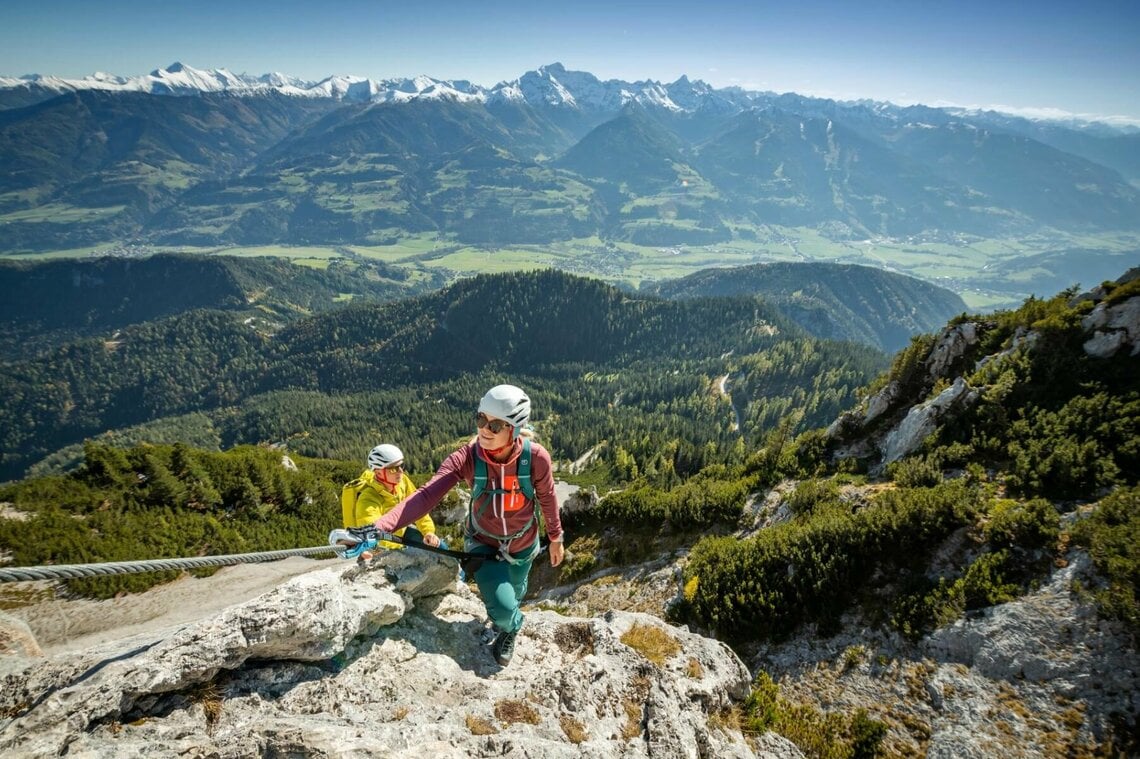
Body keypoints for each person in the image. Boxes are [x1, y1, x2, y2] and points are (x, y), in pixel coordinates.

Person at [373, 384, 564, 666]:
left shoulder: (535, 458)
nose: (484, 429)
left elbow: (547, 497)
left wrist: (556, 536)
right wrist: (380, 526)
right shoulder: (467, 458)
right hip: (482, 544)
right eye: (481, 419)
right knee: (502, 609)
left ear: (514, 429)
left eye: (495, 425)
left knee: (516, 590)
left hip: (524, 544)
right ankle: (511, 626)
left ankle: (507, 615)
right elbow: (427, 494)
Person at [343, 443, 441, 551]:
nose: (400, 471)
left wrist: (428, 531)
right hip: (385, 545)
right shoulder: (368, 499)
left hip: (402, 534)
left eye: (401, 466)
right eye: (393, 469)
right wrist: (401, 548)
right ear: (379, 472)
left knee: (441, 548)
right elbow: (373, 535)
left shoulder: (403, 481)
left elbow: (418, 506)